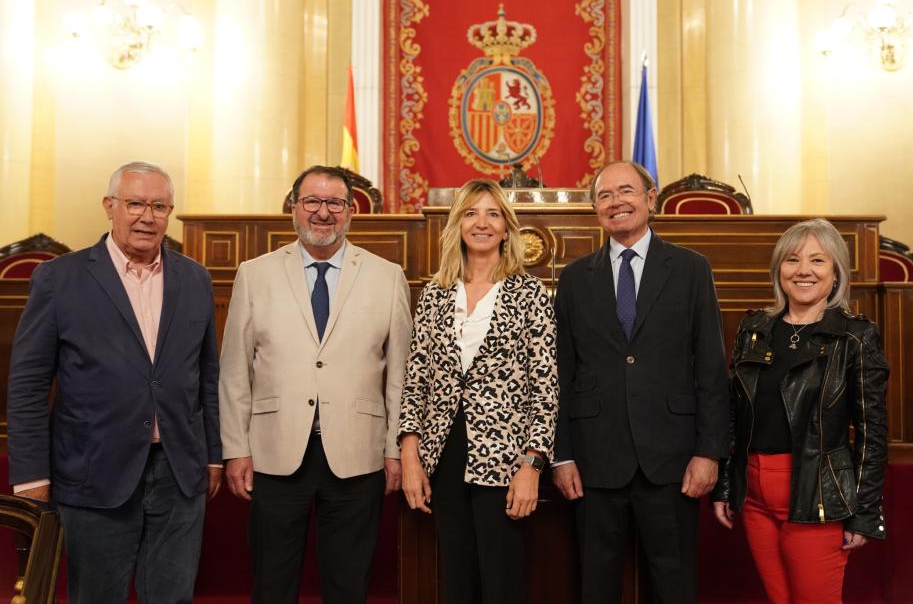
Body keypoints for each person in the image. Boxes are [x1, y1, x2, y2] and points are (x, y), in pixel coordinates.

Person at [6, 161, 222, 603]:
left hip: (178, 472)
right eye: (136, 203)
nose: (147, 216)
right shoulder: (59, 278)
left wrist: (214, 456)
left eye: (159, 206)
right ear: (110, 207)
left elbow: (207, 376)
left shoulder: (195, 278)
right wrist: (30, 475)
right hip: (92, 472)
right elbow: (27, 384)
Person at [219, 165, 412, 604]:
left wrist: (393, 448)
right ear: (294, 208)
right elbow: (234, 371)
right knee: (272, 581)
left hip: (358, 454)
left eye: (334, 203)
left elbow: (399, 374)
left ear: (350, 212)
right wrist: (236, 448)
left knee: (348, 583)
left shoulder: (387, 276)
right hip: (273, 451)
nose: (323, 213)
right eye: (312, 202)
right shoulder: (256, 273)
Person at [552, 160, 729, 604]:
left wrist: (709, 452)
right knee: (596, 583)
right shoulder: (574, 279)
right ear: (595, 209)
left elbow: (710, 366)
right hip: (594, 460)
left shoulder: (691, 269)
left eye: (627, 191)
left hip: (672, 460)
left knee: (674, 584)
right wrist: (562, 456)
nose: (617, 202)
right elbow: (562, 372)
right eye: (605, 195)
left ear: (651, 198)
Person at [398, 178, 558, 604]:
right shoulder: (434, 294)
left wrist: (532, 467)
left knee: (503, 582)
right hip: (444, 455)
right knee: (457, 581)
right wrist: (410, 457)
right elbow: (416, 382)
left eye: (492, 214)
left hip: (505, 462)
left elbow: (545, 391)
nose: (481, 223)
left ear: (507, 227)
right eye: (471, 213)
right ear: (457, 225)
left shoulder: (530, 296)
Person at [712, 218, 888, 604]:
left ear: (837, 271)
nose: (803, 270)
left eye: (818, 261)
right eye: (792, 260)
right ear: (779, 270)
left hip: (816, 496)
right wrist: (726, 484)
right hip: (755, 498)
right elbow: (732, 416)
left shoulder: (855, 336)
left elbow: (873, 433)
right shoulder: (754, 328)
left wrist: (865, 512)